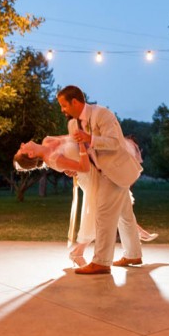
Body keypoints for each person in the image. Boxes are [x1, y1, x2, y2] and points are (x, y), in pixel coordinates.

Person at [14, 136, 157, 267]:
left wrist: (81, 146)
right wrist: (82, 147)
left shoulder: (47, 140)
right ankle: (78, 253)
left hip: (99, 169)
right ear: (31, 155)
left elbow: (71, 140)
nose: (21, 143)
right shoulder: (52, 159)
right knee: (99, 214)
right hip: (92, 178)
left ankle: (134, 250)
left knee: (122, 206)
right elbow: (83, 166)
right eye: (21, 149)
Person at [57, 85, 144, 275]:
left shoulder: (103, 114)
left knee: (103, 213)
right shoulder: (72, 125)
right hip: (99, 173)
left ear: (75, 102)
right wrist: (73, 168)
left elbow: (115, 143)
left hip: (116, 171)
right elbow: (83, 154)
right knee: (125, 216)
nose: (62, 110)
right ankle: (133, 254)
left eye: (64, 105)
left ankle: (102, 262)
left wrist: (91, 137)